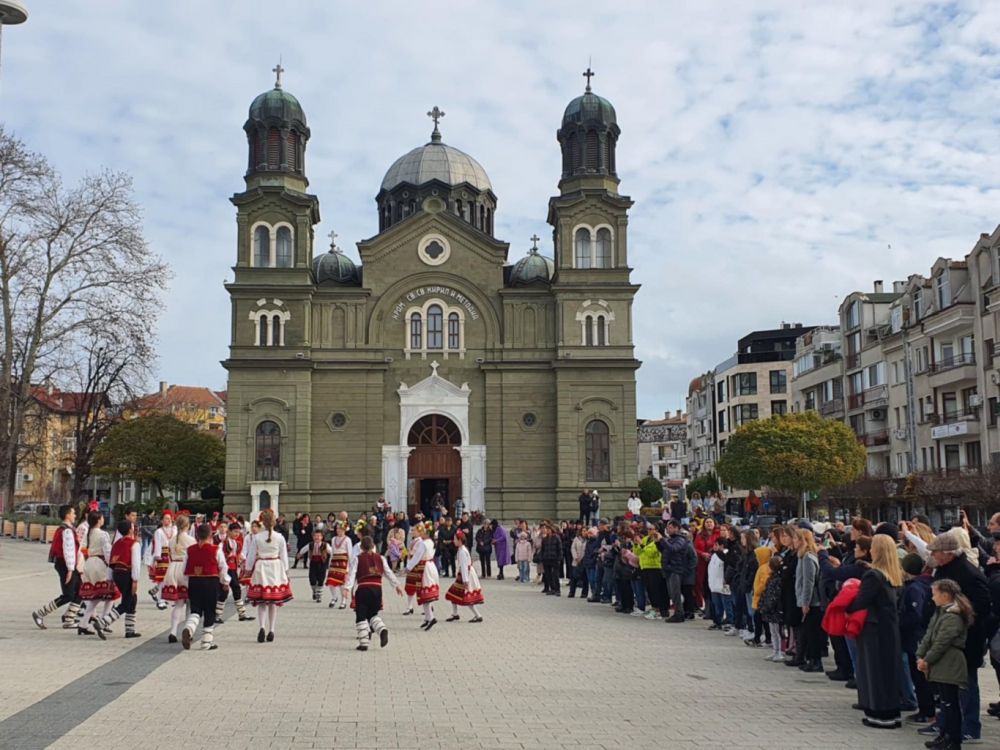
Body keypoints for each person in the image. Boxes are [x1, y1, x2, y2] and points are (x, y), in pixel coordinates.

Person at [928, 530, 993, 743]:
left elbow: (983, 605)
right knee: (948, 685)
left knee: (966, 683)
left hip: (966, 638)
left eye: (936, 552)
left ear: (948, 553)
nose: (933, 556)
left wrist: (960, 612)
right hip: (949, 634)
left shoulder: (967, 573)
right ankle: (948, 726)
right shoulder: (945, 570)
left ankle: (970, 726)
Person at [845, 534, 904, 729]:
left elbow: (862, 600)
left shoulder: (874, 575)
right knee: (888, 671)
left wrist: (846, 605)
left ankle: (879, 713)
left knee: (874, 670)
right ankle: (892, 712)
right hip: (890, 628)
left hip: (874, 627)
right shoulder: (894, 574)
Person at [917, 579, 973, 750]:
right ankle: (944, 734)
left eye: (935, 594)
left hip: (950, 662)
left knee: (950, 703)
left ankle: (953, 739)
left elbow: (942, 642)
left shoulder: (953, 616)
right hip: (940, 662)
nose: (932, 598)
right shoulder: (941, 612)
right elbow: (929, 635)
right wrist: (920, 654)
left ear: (945, 595)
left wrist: (927, 659)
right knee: (944, 702)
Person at [32, 504, 83, 631]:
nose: (75, 515)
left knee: (81, 590)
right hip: (66, 564)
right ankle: (40, 613)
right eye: (73, 513)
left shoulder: (67, 529)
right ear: (67, 515)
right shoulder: (66, 530)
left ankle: (69, 618)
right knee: (68, 595)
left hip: (68, 564)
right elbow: (68, 550)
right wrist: (71, 570)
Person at [244, 508, 293, 643]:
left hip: (261, 567)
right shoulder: (280, 537)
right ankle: (271, 630)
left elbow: (251, 555)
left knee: (261, 602)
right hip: (275, 567)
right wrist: (286, 572)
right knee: (273, 602)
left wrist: (248, 569)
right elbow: (284, 556)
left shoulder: (258, 537)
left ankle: (261, 627)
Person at [179, 522, 229, 651]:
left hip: (194, 582)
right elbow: (223, 566)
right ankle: (206, 642)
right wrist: (225, 581)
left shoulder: (190, 550)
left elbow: (183, 569)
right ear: (210, 535)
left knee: (195, 609)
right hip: (210, 582)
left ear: (197, 535)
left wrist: (185, 583)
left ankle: (189, 629)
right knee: (209, 610)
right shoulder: (216, 549)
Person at [346, 535, 403, 650]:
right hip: (377, 589)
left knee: (361, 615)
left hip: (363, 589)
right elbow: (388, 572)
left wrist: (347, 588)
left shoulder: (358, 558)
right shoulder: (381, 558)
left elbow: (352, 574)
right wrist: (396, 585)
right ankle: (382, 629)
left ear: (361, 547)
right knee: (373, 614)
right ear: (373, 546)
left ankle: (364, 643)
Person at [899, 553, 935, 724]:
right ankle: (926, 709)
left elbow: (915, 614)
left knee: (920, 677)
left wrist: (900, 622)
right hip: (920, 635)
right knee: (920, 677)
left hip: (915, 637)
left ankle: (926, 711)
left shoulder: (914, 588)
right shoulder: (923, 584)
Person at [93, 521, 142, 639]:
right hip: (127, 574)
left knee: (132, 600)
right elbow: (136, 564)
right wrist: (135, 580)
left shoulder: (116, 544)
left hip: (117, 574)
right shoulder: (134, 544)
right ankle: (102, 622)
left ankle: (130, 630)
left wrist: (110, 579)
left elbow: (111, 563)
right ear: (130, 530)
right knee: (126, 603)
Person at [162, 513, 196, 643]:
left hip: (173, 568)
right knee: (190, 602)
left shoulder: (171, 540)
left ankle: (173, 631)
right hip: (185, 569)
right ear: (187, 525)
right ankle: (188, 630)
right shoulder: (191, 540)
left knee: (178, 604)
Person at [794, 528, 823, 673]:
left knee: (812, 633)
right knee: (808, 632)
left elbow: (809, 582)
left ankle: (815, 660)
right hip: (805, 601)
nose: (793, 541)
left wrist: (805, 602)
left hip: (812, 602)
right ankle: (811, 659)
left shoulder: (808, 557)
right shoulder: (802, 556)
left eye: (795, 538)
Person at [405, 523, 440, 630]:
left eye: (423, 531)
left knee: (424, 593)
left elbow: (416, 557)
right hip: (430, 566)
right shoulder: (431, 542)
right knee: (426, 593)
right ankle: (428, 618)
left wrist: (408, 568)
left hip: (424, 568)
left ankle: (430, 617)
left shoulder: (423, 544)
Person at [445, 531, 485, 622]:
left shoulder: (462, 551)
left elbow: (463, 566)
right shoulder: (462, 549)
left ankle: (478, 615)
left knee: (467, 596)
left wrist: (465, 580)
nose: (453, 541)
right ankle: (455, 614)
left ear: (459, 540)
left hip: (465, 575)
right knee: (453, 593)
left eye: (455, 539)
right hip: (464, 574)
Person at [657, 520, 688, 622]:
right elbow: (664, 550)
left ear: (676, 528)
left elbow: (673, 549)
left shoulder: (680, 540)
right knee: (672, 593)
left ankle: (679, 614)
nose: (668, 530)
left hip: (676, 569)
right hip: (669, 569)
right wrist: (658, 542)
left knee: (675, 593)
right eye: (667, 528)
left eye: (670, 528)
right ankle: (677, 613)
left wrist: (663, 540)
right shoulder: (670, 539)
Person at [147, 511, 175, 611]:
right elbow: (157, 544)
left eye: (169, 518)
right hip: (162, 556)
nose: (167, 520)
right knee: (162, 578)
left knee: (171, 577)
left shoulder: (174, 530)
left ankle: (161, 594)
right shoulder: (159, 531)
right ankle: (160, 600)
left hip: (172, 555)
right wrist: (157, 557)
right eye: (165, 518)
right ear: (162, 520)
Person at [759, 555, 785, 662]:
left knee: (778, 632)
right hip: (771, 610)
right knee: (773, 631)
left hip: (775, 609)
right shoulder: (772, 578)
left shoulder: (777, 580)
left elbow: (773, 596)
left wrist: (767, 606)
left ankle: (780, 652)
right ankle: (775, 651)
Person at [327, 522, 352, 609]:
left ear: (345, 530)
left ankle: (343, 601)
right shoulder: (333, 539)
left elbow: (350, 554)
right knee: (330, 581)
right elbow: (332, 552)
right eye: (337, 528)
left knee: (342, 583)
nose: (339, 530)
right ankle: (334, 597)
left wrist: (349, 566)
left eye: (341, 529)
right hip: (334, 562)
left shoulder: (347, 540)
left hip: (343, 563)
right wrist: (330, 563)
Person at [302, 529, 331, 603]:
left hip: (322, 563)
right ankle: (314, 590)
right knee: (312, 579)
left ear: (322, 537)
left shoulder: (325, 545)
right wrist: (299, 554)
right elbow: (304, 549)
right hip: (313, 563)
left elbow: (331, 552)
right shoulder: (311, 544)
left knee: (321, 579)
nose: (317, 537)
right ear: (313, 537)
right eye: (315, 536)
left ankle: (319, 596)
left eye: (319, 536)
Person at [540, 523, 563, 596]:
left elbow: (560, 549)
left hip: (555, 559)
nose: (547, 531)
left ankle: (557, 589)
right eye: (546, 529)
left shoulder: (556, 537)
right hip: (546, 559)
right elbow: (542, 550)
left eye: (548, 529)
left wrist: (559, 558)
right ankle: (552, 588)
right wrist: (542, 557)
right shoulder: (545, 539)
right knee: (548, 575)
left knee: (555, 575)